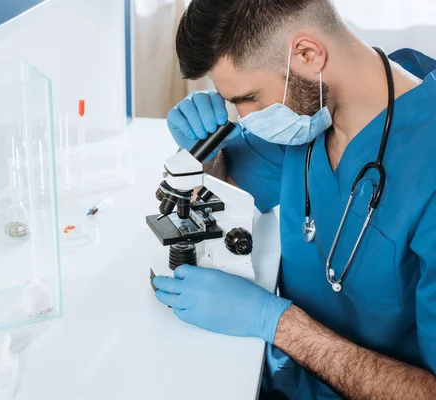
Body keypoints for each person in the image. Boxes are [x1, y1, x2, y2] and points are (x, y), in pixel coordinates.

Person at [151, 0, 436, 399]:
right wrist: (208, 151)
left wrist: (277, 323)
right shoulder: (310, 113)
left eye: (248, 98)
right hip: (280, 374)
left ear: (308, 54)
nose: (244, 117)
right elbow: (235, 182)